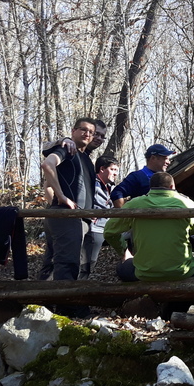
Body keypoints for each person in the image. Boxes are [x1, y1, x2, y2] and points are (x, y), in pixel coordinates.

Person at [105, 172, 194, 282]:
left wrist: (124, 251)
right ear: (172, 186)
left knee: (122, 268)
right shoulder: (187, 203)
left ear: (151, 187)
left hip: (144, 273)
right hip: (182, 271)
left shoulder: (134, 204)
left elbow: (109, 231)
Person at [39, 120, 110, 280]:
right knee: (66, 264)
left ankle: (52, 295)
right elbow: (47, 165)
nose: (91, 136)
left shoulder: (86, 159)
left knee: (76, 265)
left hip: (82, 219)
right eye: (85, 130)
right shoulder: (68, 148)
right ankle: (62, 297)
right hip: (67, 216)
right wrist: (61, 197)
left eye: (94, 133)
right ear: (73, 131)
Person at [81, 156, 119, 280]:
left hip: (107, 228)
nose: (115, 173)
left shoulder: (111, 187)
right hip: (94, 229)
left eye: (116, 170)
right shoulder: (92, 184)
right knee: (87, 263)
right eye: (112, 169)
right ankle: (78, 285)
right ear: (102, 169)